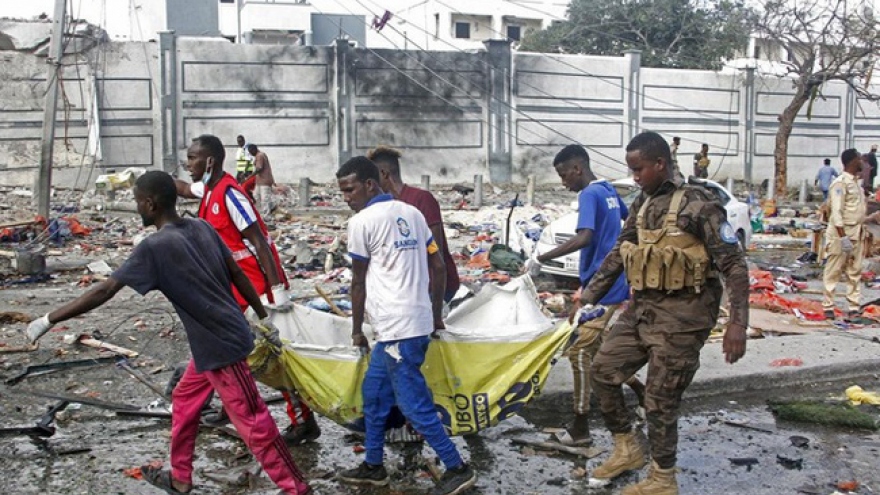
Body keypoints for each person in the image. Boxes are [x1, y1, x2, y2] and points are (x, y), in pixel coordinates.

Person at [25, 171, 311, 495]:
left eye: (137, 203)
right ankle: (180, 478)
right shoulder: (201, 226)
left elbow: (104, 291)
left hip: (222, 346)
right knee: (186, 399)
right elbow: (236, 273)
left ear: (150, 203)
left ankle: (297, 489)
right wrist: (261, 316)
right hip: (212, 343)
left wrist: (48, 319)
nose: (137, 210)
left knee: (255, 423)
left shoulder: (155, 247)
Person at [577, 131, 748, 495]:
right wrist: (589, 295)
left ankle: (663, 478)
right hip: (643, 310)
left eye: (638, 169)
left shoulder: (701, 204)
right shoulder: (642, 204)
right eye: (631, 169)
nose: (635, 176)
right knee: (604, 371)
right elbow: (621, 250)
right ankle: (628, 448)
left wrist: (737, 324)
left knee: (661, 398)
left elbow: (734, 265)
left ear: (660, 164)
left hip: (685, 317)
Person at [335, 157, 476, 495]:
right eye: (341, 191)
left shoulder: (361, 222)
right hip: (409, 325)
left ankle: (457, 467)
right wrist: (433, 312)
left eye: (349, 189)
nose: (345, 197)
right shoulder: (412, 213)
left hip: (396, 328)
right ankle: (373, 465)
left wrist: (356, 330)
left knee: (414, 404)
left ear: (370, 184)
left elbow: (358, 282)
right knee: (373, 395)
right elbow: (438, 265)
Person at [175, 134, 320, 445]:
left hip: (257, 288)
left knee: (273, 359)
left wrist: (276, 291)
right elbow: (185, 189)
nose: (188, 164)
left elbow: (259, 241)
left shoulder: (231, 194)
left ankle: (304, 421)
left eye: (192, 158)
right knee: (231, 352)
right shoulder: (209, 191)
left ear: (209, 161)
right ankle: (233, 406)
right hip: (234, 289)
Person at [523, 144, 645, 447]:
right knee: (599, 349)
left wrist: (541, 257)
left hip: (602, 288)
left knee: (578, 354)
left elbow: (584, 236)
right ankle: (643, 395)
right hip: (608, 281)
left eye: (564, 175)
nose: (564, 182)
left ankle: (580, 428)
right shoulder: (607, 188)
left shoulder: (589, 194)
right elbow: (630, 220)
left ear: (577, 168)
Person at [368, 145, 460, 302]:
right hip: (406, 289)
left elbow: (436, 253)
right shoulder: (384, 206)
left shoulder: (421, 199)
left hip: (432, 288)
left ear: (383, 174)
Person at [822, 148, 866, 320]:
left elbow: (855, 210)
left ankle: (853, 306)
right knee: (833, 270)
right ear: (852, 161)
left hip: (857, 233)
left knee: (854, 271)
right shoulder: (840, 183)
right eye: (859, 159)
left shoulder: (856, 183)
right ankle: (828, 307)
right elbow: (837, 212)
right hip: (842, 235)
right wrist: (842, 237)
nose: (862, 161)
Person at [249, 144, 276, 217]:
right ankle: (257, 215)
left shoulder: (260, 156)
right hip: (260, 181)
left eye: (250, 152)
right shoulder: (260, 155)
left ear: (253, 150)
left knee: (264, 199)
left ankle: (266, 216)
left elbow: (259, 168)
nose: (250, 154)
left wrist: (249, 176)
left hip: (264, 181)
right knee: (256, 197)